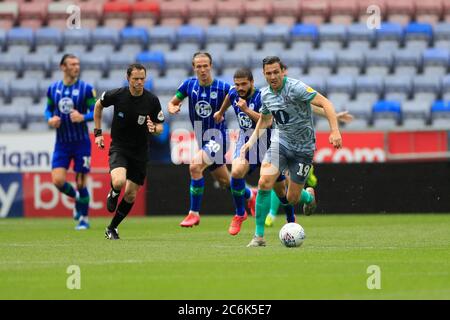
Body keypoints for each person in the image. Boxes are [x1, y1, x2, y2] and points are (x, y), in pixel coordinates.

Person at [214, 68, 353, 236]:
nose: (275, 77)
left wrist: (335, 118)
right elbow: (233, 98)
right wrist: (221, 112)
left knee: (286, 193)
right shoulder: (251, 94)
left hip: (284, 143)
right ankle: (245, 218)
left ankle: (299, 207)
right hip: (263, 142)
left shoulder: (278, 94)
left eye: (279, 73)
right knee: (245, 175)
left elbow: (309, 108)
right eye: (237, 84)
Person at [241, 56, 343, 247]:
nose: (272, 76)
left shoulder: (296, 88)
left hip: (303, 149)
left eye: (276, 72)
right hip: (280, 143)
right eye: (268, 73)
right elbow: (265, 119)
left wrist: (335, 130)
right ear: (264, 74)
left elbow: (326, 103)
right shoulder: (265, 95)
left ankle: (308, 196)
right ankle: (259, 236)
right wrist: (251, 142)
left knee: (291, 198)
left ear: (282, 72)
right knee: (264, 182)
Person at [168, 52, 256, 228]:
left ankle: (194, 213)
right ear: (194, 67)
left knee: (195, 165)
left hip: (219, 138)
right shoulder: (188, 85)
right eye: (198, 66)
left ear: (211, 66)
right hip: (203, 139)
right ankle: (250, 195)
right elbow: (173, 102)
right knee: (226, 182)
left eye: (205, 66)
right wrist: (172, 108)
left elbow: (243, 98)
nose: (202, 70)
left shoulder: (223, 87)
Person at [93, 63, 165, 240]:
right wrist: (98, 133)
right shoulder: (117, 95)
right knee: (118, 181)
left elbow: (160, 127)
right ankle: (113, 192)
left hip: (140, 152)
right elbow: (98, 106)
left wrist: (153, 128)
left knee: (131, 194)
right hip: (120, 147)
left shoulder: (152, 100)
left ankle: (112, 228)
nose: (139, 82)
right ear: (128, 79)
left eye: (142, 79)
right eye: (135, 79)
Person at [45, 53, 97, 230]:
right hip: (62, 143)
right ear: (63, 67)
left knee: (81, 181)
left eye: (78, 64)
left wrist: (83, 116)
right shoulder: (53, 89)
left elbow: (95, 112)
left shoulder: (86, 89)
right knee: (58, 180)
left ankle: (84, 218)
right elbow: (48, 110)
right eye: (72, 64)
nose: (76, 67)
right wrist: (50, 119)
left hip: (81, 142)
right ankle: (77, 198)